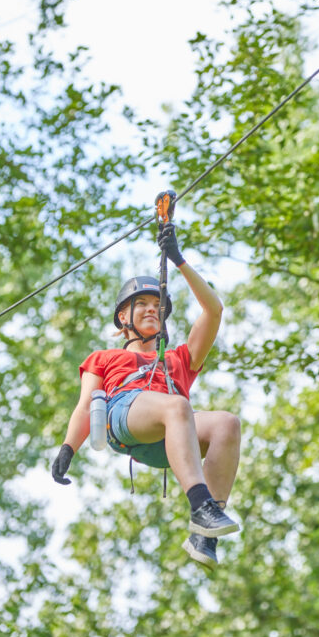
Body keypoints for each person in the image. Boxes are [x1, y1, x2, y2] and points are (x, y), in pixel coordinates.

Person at [51, 217, 242, 570]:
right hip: (124, 415)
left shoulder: (180, 358)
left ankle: (205, 534)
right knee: (177, 406)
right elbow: (85, 406)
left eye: (157, 305)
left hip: (170, 438)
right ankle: (200, 504)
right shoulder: (104, 358)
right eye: (142, 304)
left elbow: (214, 311)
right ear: (123, 316)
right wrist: (68, 448)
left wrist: (179, 260)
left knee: (226, 423)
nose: (152, 308)